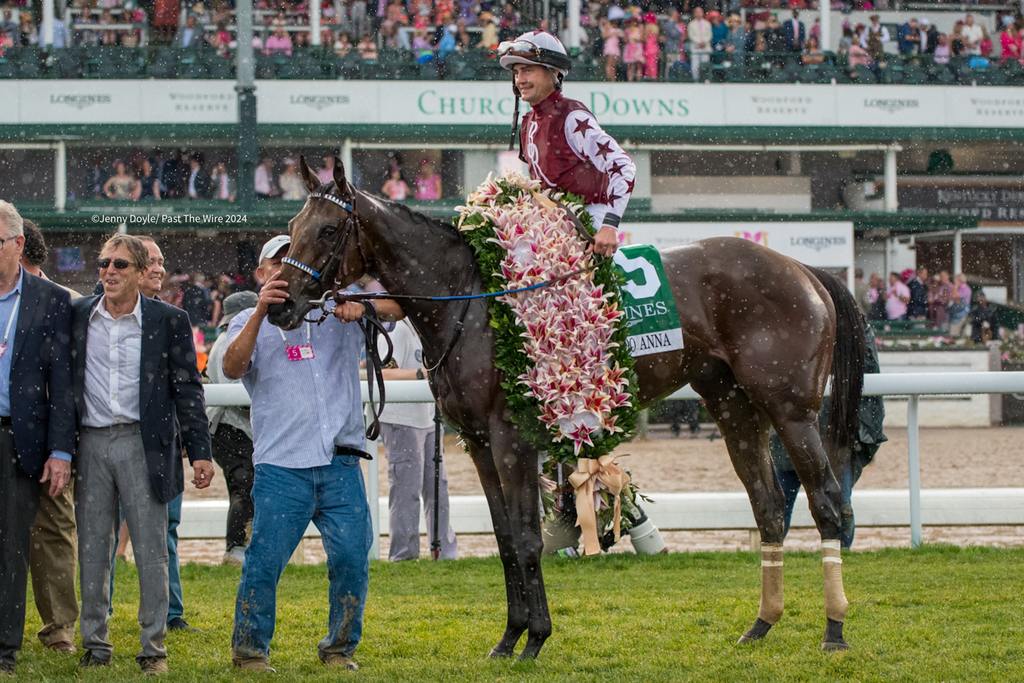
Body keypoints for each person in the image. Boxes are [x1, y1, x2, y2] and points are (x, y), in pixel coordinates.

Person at [222, 235, 403, 673]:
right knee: (264, 563)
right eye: (277, 263)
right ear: (261, 274)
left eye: (295, 261)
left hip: (341, 461)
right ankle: (249, 651)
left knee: (351, 559)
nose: (287, 270)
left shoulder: (335, 309)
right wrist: (263, 311)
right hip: (282, 467)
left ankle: (340, 647)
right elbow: (231, 367)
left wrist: (362, 302)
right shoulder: (248, 317)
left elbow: (398, 304)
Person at [72, 234, 214, 674]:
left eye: (118, 265)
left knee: (152, 549)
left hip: (144, 443)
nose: (108, 272)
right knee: (93, 548)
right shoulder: (77, 316)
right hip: (90, 443)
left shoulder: (168, 320)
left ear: (138, 271)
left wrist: (200, 452)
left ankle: (153, 649)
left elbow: (187, 389)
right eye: (102, 264)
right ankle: (95, 644)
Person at [0, 202, 75, 676]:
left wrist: (62, 450)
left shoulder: (50, 301)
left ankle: (5, 646)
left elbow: (63, 382)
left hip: (16, 438)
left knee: (11, 545)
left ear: (17, 244)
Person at [500, 30, 636, 258]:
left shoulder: (572, 116)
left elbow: (623, 166)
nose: (520, 80)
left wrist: (609, 225)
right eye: (516, 72)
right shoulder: (528, 122)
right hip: (553, 226)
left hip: (591, 224)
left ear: (553, 73)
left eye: (528, 70)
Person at [18, 220, 80, 655]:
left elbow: (73, 384)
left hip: (50, 438)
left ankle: (58, 628)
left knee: (54, 531)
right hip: (10, 428)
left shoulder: (68, 304)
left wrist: (64, 445)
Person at [770, 324, 886, 549]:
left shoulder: (854, 327)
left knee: (837, 505)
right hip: (799, 433)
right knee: (781, 504)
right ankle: (772, 556)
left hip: (827, 435)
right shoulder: (796, 321)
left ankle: (839, 557)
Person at [380, 319, 457, 561]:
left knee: (438, 489)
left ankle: (444, 552)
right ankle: (404, 555)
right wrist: (422, 374)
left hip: (428, 417)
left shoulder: (428, 330)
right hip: (401, 420)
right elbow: (382, 371)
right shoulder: (399, 330)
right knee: (406, 490)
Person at [206, 291, 258, 565]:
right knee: (244, 486)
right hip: (230, 426)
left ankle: (240, 545)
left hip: (231, 427)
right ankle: (236, 548)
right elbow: (235, 393)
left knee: (244, 486)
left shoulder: (226, 340)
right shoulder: (229, 343)